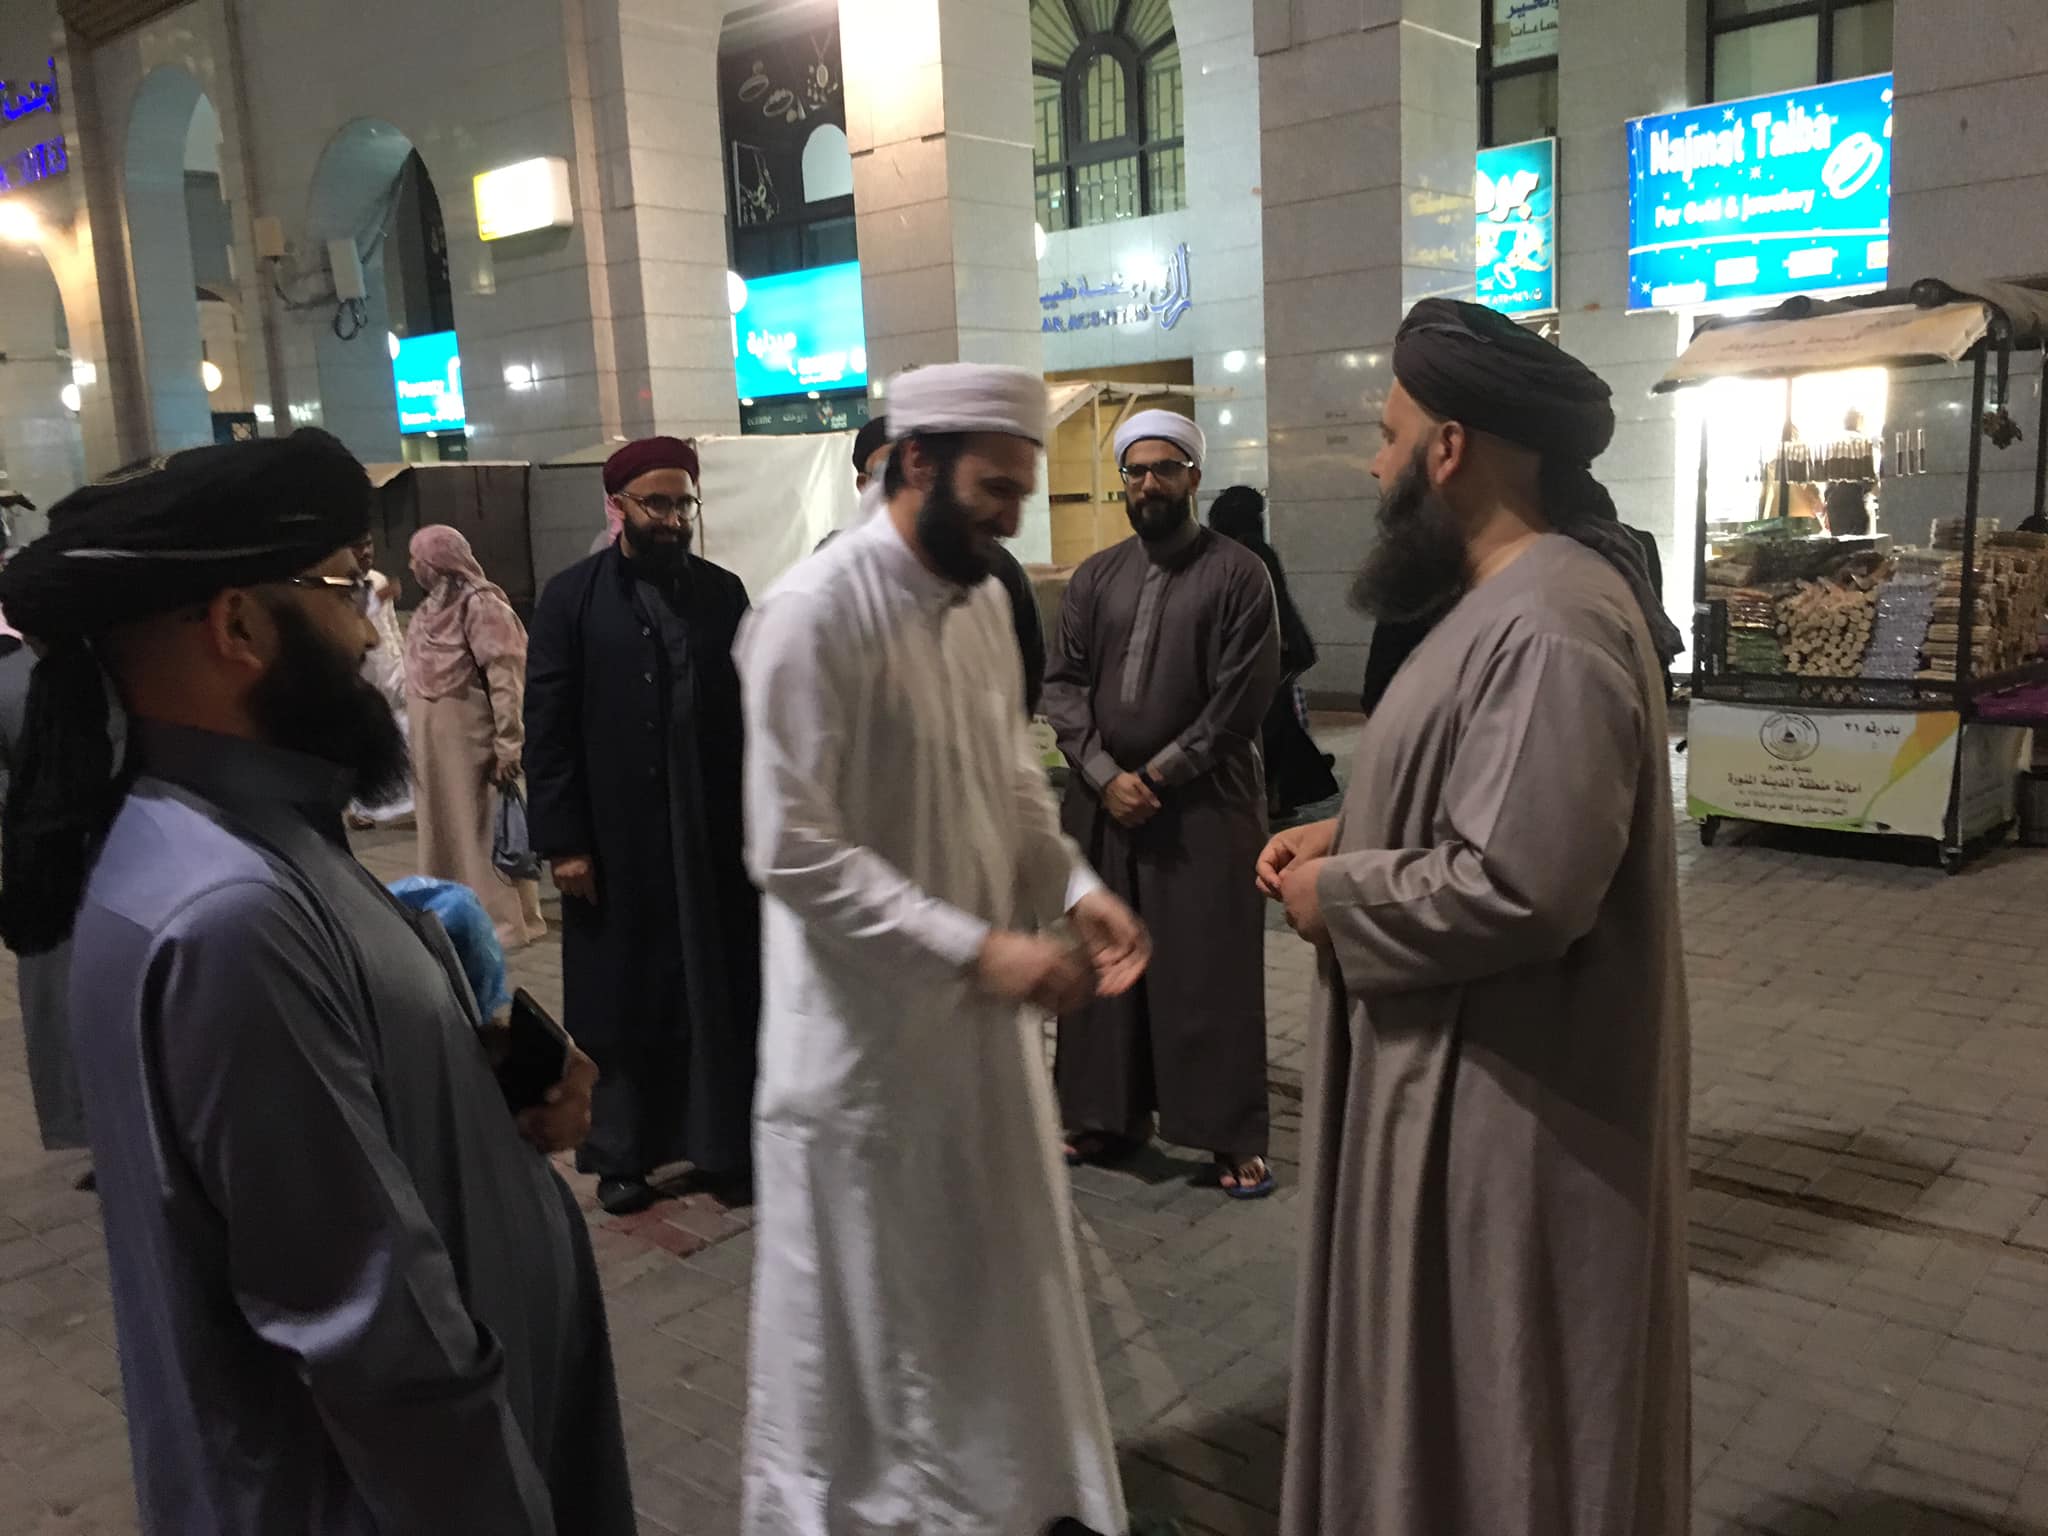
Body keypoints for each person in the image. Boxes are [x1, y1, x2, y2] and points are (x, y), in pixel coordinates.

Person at [0, 431, 634, 1535]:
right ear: (238, 625)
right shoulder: (227, 913)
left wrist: (472, 1083)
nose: (366, 634)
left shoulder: (240, 837)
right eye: (343, 589)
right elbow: (367, 1333)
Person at [1256, 298, 1689, 1536]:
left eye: (1387, 437)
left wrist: (1336, 895)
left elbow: (1522, 885)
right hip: (1461, 1097)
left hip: (1507, 1121)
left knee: (1501, 1422)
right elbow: (1489, 798)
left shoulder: (1548, 623)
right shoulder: (1509, 598)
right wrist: (1354, 828)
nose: (1374, 465)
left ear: (1448, 450)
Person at [735, 362, 1151, 1536]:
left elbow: (1011, 784)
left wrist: (1073, 888)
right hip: (859, 1051)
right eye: (995, 490)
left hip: (973, 1040)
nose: (1012, 517)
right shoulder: (809, 616)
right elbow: (790, 850)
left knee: (982, 1302)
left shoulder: (977, 605)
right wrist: (977, 951)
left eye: (1022, 492)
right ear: (914, 462)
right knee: (872, 1337)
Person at [1043, 412, 1281, 1197]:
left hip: (1205, 805)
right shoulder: (1094, 578)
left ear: (1193, 478)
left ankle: (1228, 1135)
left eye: (1165, 469)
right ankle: (1102, 1116)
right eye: (1136, 471)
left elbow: (1242, 696)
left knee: (1207, 970)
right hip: (1103, 803)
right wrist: (1104, 772)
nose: (1149, 483)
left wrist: (1159, 775)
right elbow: (1063, 685)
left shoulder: (1240, 574)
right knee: (1102, 964)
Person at [525, 435, 760, 1216]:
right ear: (618, 506)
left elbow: (752, 710)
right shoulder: (571, 598)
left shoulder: (722, 594)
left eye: (682, 503)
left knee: (717, 986)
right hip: (614, 840)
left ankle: (721, 1144)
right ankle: (622, 1153)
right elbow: (547, 726)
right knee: (622, 998)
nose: (673, 518)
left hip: (711, 832)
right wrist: (564, 841)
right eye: (656, 503)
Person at [830, 414, 1049, 714]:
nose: (1011, 525)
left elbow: (1025, 687)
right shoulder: (826, 593)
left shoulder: (994, 579)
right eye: (888, 471)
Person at [404, 525, 546, 950]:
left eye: (418, 559)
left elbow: (507, 678)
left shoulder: (483, 605)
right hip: (434, 749)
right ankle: (451, 913)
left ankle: (503, 922)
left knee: (481, 831)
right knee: (444, 829)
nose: (412, 567)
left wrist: (509, 743)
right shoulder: (429, 610)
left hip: (473, 744)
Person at [0, 629, 93, 1174]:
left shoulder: (18, 680)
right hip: (94, 862)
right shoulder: (118, 669)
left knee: (65, 1002)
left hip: (49, 871)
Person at [1208, 485, 1341, 816]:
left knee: (1270, 725)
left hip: (1261, 651)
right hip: (1275, 650)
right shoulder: (1257, 549)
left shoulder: (1238, 552)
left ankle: (1276, 793)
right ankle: (1284, 790)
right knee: (1276, 723)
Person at [348, 534, 412, 828]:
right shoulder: (339, 583)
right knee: (363, 741)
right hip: (361, 675)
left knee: (402, 734)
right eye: (358, 546)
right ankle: (360, 807)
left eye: (369, 545)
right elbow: (352, 620)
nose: (366, 552)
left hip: (391, 669)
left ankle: (395, 802)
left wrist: (403, 658)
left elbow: (390, 627)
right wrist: (377, 598)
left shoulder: (377, 579)